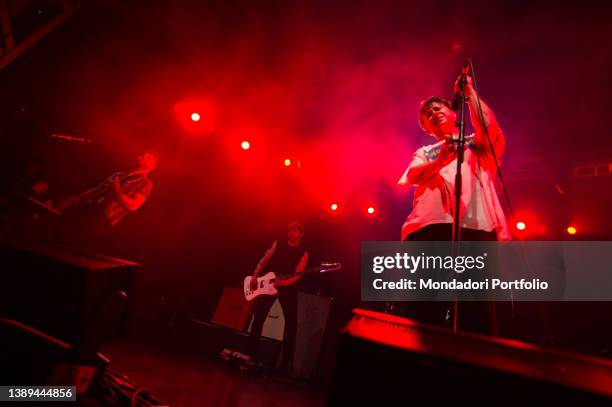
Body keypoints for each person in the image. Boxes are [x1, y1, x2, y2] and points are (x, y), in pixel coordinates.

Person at [397, 74, 510, 333]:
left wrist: (469, 93)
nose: (434, 113)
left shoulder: (476, 144)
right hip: (431, 227)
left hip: (476, 228)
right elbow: (413, 174)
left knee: (477, 313)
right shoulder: (426, 152)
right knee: (423, 308)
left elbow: (490, 128)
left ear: (453, 111)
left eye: (439, 108)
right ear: (426, 127)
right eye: (428, 114)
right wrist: (441, 159)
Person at [246, 222, 309, 373]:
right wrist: (255, 275)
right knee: (258, 317)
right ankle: (250, 354)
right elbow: (264, 260)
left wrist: (284, 283)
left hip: (288, 288)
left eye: (295, 230)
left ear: (301, 234)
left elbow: (298, 274)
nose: (291, 232)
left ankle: (285, 363)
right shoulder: (277, 244)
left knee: (291, 322)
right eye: (290, 230)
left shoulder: (303, 252)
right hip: (269, 284)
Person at [58, 150, 159, 241]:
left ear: (153, 167)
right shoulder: (119, 174)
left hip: (104, 218)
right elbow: (96, 190)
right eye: (144, 155)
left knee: (75, 240)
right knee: (63, 232)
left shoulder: (146, 183)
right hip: (90, 207)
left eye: (149, 158)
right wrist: (72, 201)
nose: (144, 156)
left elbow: (133, 206)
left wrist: (116, 189)